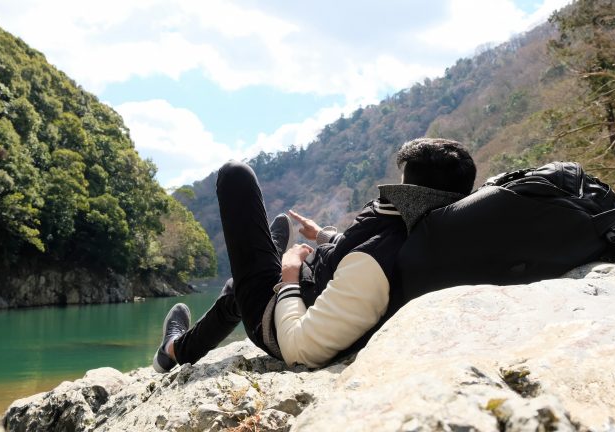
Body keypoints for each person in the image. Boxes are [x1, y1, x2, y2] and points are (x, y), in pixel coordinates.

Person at [152, 138, 476, 370]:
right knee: (237, 289)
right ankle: (174, 351)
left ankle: (266, 263)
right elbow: (362, 252)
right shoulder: (416, 225)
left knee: (235, 175)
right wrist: (323, 235)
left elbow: (299, 348)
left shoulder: (374, 264)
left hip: (274, 320)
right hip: (312, 281)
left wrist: (289, 275)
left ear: (408, 189)